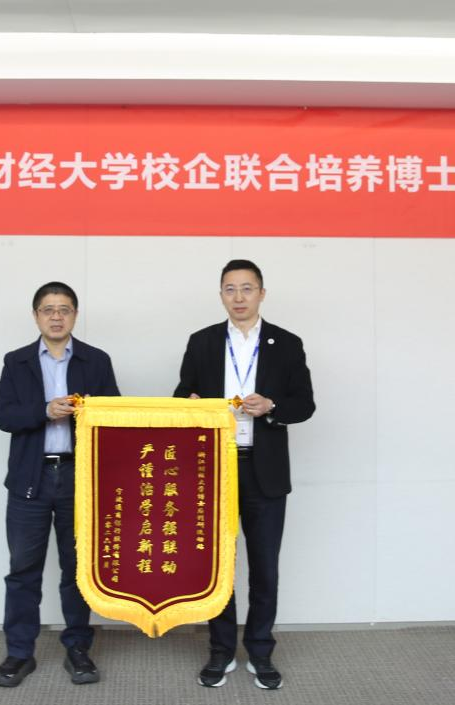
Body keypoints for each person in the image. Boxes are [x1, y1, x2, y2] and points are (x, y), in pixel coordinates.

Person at [173, 259, 315, 690]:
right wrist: (191, 404)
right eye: (230, 289)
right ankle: (220, 651)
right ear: (221, 295)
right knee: (218, 566)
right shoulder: (202, 341)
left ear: (262, 294)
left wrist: (272, 406)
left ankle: (260, 651)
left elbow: (305, 404)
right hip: (215, 468)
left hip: (264, 469)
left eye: (247, 289)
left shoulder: (286, 343)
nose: (238, 297)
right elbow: (181, 394)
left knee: (265, 566)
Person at [0, 281, 120, 687]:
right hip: (30, 479)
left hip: (79, 478)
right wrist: (45, 410)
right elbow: (4, 417)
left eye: (64, 309)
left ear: (75, 315)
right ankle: (18, 654)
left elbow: (114, 417)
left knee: (77, 570)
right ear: (36, 316)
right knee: (22, 570)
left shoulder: (96, 361)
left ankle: (78, 649)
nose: (56, 317)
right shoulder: (17, 362)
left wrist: (88, 414)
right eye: (48, 310)